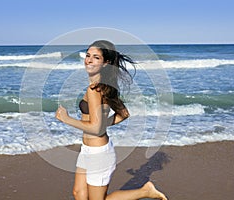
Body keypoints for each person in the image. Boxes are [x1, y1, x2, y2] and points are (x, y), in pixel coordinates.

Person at [56, 40, 167, 200]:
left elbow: (95, 128)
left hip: (98, 154)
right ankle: (145, 191)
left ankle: (145, 191)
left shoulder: (95, 89)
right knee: (78, 194)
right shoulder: (106, 86)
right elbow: (123, 114)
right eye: (88, 55)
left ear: (106, 63)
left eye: (96, 57)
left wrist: (66, 119)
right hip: (87, 149)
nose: (89, 60)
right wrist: (102, 125)